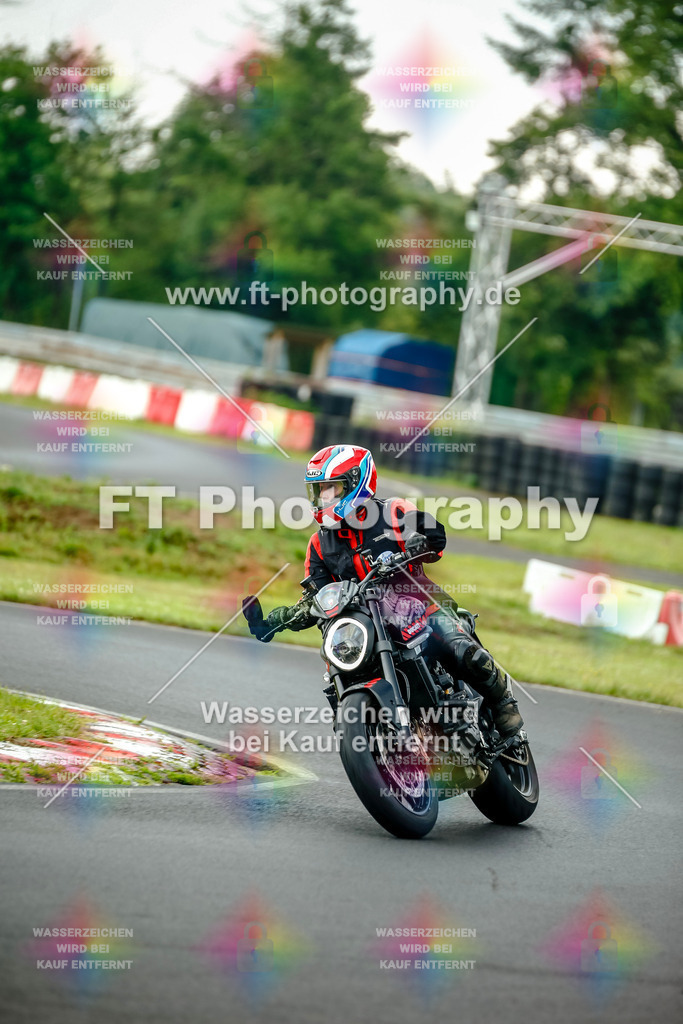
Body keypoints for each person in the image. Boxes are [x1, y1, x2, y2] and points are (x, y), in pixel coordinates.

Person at [243, 444, 523, 737]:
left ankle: (503, 702)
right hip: (366, 626)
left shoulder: (393, 511)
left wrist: (420, 539)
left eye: (331, 489)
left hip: (420, 606)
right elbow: (316, 597)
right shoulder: (318, 545)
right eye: (318, 490)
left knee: (462, 650)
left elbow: (434, 536)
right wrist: (272, 622)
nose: (322, 498)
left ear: (357, 482)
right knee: (336, 668)